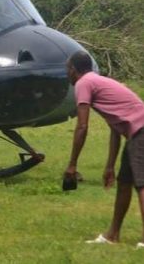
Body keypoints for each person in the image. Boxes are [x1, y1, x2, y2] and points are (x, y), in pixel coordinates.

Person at [63, 50, 144, 249]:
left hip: (141, 131)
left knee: (141, 184)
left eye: (67, 70)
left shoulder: (84, 83)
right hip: (135, 133)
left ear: (73, 70)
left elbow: (82, 127)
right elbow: (115, 130)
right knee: (125, 183)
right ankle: (112, 235)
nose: (67, 75)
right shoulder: (97, 81)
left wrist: (72, 164)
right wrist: (110, 166)